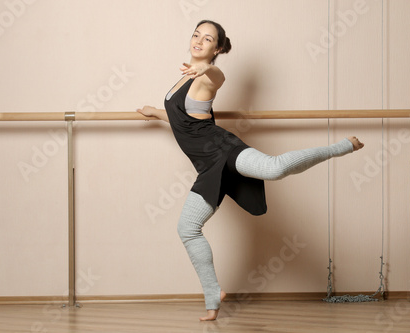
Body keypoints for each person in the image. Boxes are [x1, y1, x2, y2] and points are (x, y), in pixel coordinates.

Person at [137, 20, 364, 321]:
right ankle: (212, 294)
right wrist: (157, 113)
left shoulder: (206, 77)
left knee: (274, 168)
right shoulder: (183, 77)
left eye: (207, 39)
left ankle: (342, 146)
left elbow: (219, 78)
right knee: (188, 229)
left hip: (224, 151)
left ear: (216, 48)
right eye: (196, 35)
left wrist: (208, 70)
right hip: (207, 166)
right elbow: (188, 121)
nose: (198, 41)